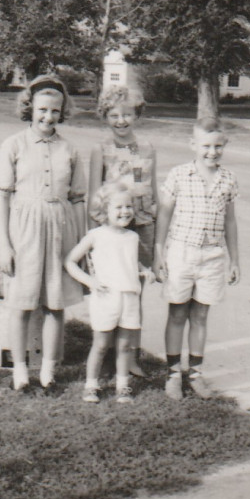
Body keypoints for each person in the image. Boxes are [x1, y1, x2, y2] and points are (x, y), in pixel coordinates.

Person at [0, 74, 86, 392]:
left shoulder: (69, 150)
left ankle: (47, 370)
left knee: (55, 304)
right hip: (24, 232)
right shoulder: (13, 145)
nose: (48, 117)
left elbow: (76, 200)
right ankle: (19, 371)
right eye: (42, 110)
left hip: (61, 230)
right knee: (22, 302)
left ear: (62, 112)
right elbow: (2, 196)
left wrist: (82, 245)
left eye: (55, 111)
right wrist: (4, 244)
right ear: (30, 108)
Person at [153, 117, 240, 400]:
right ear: (193, 144)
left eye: (218, 146)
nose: (211, 152)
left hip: (212, 256)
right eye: (206, 146)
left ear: (224, 145)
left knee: (201, 314)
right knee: (178, 312)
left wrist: (234, 260)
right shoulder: (179, 175)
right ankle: (174, 372)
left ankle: (196, 372)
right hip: (181, 252)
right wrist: (158, 252)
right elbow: (164, 214)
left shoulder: (228, 180)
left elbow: (230, 222)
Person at [88, 85, 158, 377]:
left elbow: (151, 190)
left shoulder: (147, 149)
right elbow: (94, 196)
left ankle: (130, 356)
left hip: (141, 225)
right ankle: (105, 353)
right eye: (114, 115)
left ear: (136, 115)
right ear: (105, 116)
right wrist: (92, 239)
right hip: (109, 229)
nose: (121, 121)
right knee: (109, 290)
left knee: (134, 291)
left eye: (127, 114)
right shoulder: (100, 150)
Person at [65, 182, 156, 404]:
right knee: (101, 344)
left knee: (125, 345)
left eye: (129, 206)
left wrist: (145, 271)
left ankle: (122, 385)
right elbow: (70, 261)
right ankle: (91, 385)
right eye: (118, 207)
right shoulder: (95, 235)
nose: (125, 212)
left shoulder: (132, 237)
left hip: (129, 297)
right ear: (104, 210)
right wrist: (90, 281)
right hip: (106, 297)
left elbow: (130, 261)